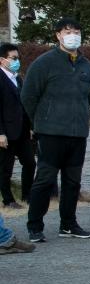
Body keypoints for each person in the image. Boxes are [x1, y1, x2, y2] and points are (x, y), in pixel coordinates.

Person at [23, 17, 90, 242]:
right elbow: (28, 96)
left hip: (77, 133)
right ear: (58, 35)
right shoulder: (44, 63)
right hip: (51, 132)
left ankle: (68, 224)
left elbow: (88, 96)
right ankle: (35, 225)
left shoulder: (86, 65)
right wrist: (39, 123)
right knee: (45, 180)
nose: (72, 34)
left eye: (76, 31)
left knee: (73, 181)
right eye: (67, 31)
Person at [0, 43, 35, 208]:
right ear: (2, 60)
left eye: (18, 58)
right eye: (13, 58)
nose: (17, 61)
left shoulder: (17, 78)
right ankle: (8, 200)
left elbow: (23, 105)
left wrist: (29, 127)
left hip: (21, 130)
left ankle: (27, 194)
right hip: (6, 132)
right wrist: (0, 133)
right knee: (5, 168)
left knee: (29, 162)